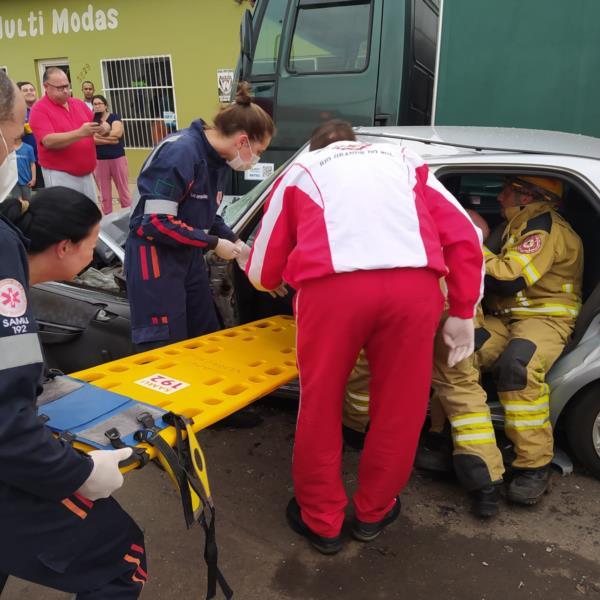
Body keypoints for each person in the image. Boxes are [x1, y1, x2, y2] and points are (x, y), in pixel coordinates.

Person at [245, 120, 484, 554]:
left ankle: (322, 521)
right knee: (403, 406)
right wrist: (463, 310)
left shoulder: (301, 170)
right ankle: (375, 511)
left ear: (316, 147)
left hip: (332, 295)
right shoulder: (404, 160)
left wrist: (277, 275)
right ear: (356, 145)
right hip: (414, 291)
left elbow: (262, 271)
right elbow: (466, 235)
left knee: (320, 403)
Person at [1, 67, 145, 599]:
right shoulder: (4, 267)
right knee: (121, 558)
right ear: (64, 246)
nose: (18, 149)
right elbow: (5, 420)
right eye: (16, 136)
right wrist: (76, 473)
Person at [125, 81, 274, 350]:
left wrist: (236, 243)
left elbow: (205, 214)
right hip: (156, 261)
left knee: (204, 338)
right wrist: (215, 244)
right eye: (258, 151)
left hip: (188, 257)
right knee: (166, 347)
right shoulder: (180, 153)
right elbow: (156, 223)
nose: (256, 159)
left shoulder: (218, 161)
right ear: (242, 141)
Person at [474, 176, 583, 505]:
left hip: (546, 319)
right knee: (464, 351)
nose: (501, 193)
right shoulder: (519, 222)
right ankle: (459, 444)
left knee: (517, 367)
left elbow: (510, 279)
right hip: (509, 318)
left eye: (508, 188)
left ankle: (533, 465)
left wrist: (466, 244)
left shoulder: (543, 228)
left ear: (529, 196)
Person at [29, 68, 109, 202]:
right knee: (68, 218)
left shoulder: (78, 103)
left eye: (67, 86)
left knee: (90, 216)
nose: (65, 91)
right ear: (46, 87)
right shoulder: (39, 109)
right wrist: (80, 133)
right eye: (60, 88)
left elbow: (104, 125)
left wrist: (103, 128)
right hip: (60, 174)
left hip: (87, 173)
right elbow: (48, 141)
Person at [92, 94, 132, 214]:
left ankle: (128, 216)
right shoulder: (92, 120)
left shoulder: (114, 117)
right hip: (100, 160)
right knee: (105, 195)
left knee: (123, 191)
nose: (97, 106)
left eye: (100, 103)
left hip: (117, 158)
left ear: (105, 105)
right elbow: (92, 139)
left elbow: (118, 134)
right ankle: (108, 220)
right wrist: (110, 138)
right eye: (95, 104)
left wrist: (100, 136)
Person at [16, 81, 44, 189]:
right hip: (26, 161)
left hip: (43, 159)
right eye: (25, 90)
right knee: (29, 195)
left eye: (31, 90)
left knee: (45, 192)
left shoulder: (42, 110)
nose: (29, 92)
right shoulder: (17, 112)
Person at [11, 136, 36, 200]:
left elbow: (32, 164)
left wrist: (33, 179)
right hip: (13, 182)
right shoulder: (8, 148)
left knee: (27, 202)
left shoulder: (29, 148)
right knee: (17, 203)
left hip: (26, 181)